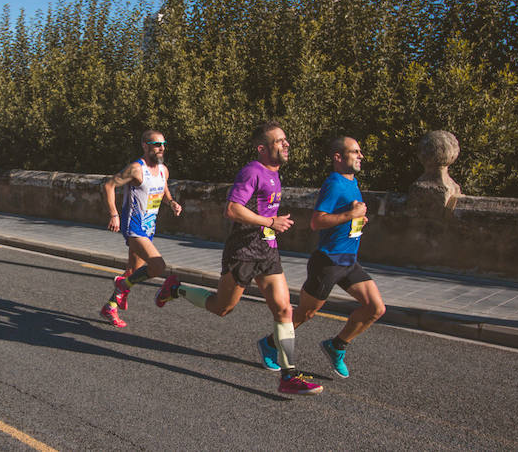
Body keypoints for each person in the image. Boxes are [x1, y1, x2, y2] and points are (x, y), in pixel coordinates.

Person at [154, 121, 323, 395]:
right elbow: (232, 210)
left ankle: (288, 375)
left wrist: (270, 226)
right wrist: (270, 221)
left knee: (283, 310)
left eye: (285, 140)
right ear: (262, 148)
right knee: (222, 307)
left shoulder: (274, 174)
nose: (286, 144)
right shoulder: (252, 172)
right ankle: (175, 288)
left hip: (267, 250)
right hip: (242, 251)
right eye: (279, 141)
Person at [256, 136, 385, 379]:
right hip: (328, 262)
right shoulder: (334, 183)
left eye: (360, 152)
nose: (361, 156)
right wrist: (350, 214)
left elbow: (344, 216)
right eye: (355, 152)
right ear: (338, 157)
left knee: (375, 308)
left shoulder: (352, 181)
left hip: (348, 260)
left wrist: (357, 219)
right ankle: (270, 344)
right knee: (305, 313)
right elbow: (317, 222)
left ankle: (336, 346)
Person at [100, 129, 183, 328]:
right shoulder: (137, 169)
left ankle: (110, 306)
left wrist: (171, 202)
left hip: (149, 227)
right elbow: (109, 185)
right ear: (145, 146)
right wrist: (114, 214)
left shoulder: (163, 170)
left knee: (133, 270)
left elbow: (163, 190)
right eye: (156, 144)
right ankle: (122, 285)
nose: (161, 148)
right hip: (134, 226)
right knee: (158, 266)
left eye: (163, 144)